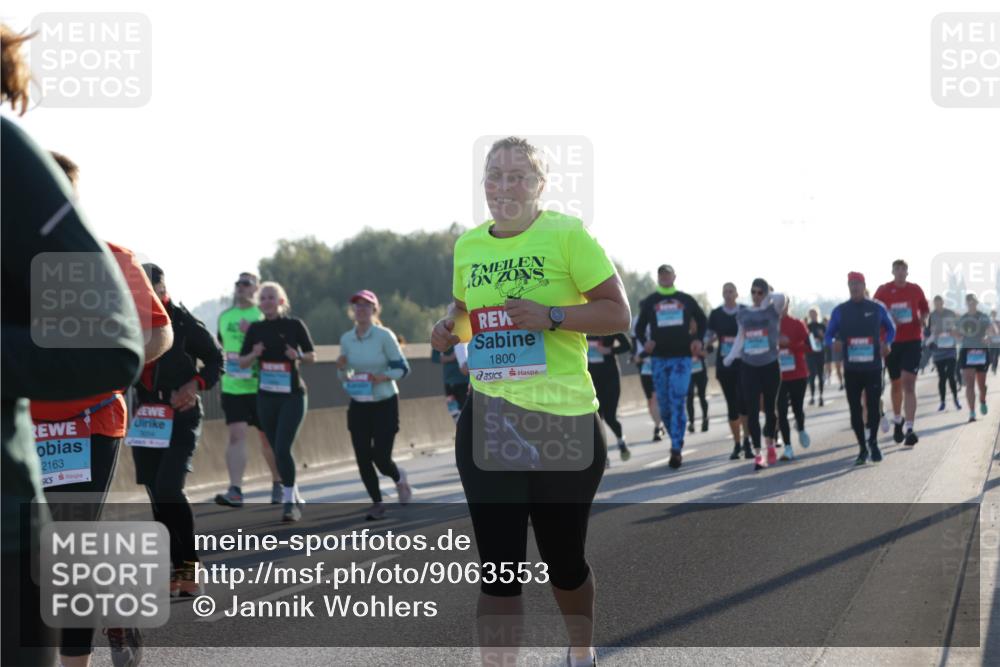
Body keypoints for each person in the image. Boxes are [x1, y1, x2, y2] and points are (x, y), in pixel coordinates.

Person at [432, 136, 630, 667]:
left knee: (564, 560)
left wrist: (552, 316)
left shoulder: (567, 235)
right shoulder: (469, 245)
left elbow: (617, 314)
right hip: (490, 417)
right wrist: (447, 328)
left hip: (562, 421)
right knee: (499, 567)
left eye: (517, 175)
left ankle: (581, 650)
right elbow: (464, 310)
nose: (503, 185)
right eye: (494, 174)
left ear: (541, 185)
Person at [30, 151, 173, 667]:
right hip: (23, 425)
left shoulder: (113, 257)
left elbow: (158, 331)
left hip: (89, 422)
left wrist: (116, 368)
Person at [129, 264, 223, 598]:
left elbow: (215, 359)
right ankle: (175, 569)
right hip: (146, 417)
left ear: (162, 288)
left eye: (152, 290)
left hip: (180, 414)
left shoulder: (182, 322)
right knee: (156, 493)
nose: (147, 297)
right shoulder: (128, 320)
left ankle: (190, 566)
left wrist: (195, 384)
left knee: (169, 487)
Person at [238, 282, 315, 521]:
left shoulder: (294, 325)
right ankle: (296, 496)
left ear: (281, 301)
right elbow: (241, 362)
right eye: (264, 298)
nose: (267, 301)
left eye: (272, 297)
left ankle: (289, 503)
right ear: (259, 303)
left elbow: (313, 355)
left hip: (292, 395)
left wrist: (298, 355)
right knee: (276, 450)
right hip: (266, 396)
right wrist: (255, 353)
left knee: (282, 447)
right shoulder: (256, 329)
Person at [337, 290, 413, 520]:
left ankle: (399, 478)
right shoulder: (346, 339)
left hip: (384, 402)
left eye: (366, 305)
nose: (361, 309)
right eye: (357, 305)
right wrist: (342, 368)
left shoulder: (384, 336)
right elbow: (344, 377)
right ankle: (377, 503)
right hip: (359, 403)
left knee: (380, 457)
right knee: (362, 455)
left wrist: (382, 377)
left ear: (374, 309)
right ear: (353, 311)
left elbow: (403, 368)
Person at [215, 273, 282, 507]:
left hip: (262, 385)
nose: (240, 288)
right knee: (236, 435)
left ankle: (278, 482)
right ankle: (235, 489)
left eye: (246, 284)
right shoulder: (225, 317)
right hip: (233, 385)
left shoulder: (262, 315)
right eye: (238, 284)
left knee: (267, 439)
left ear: (256, 289)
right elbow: (221, 346)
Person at [634, 265, 707, 469]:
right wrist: (644, 342)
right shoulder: (650, 302)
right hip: (658, 360)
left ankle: (676, 448)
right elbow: (639, 328)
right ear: (658, 278)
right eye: (662, 274)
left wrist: (698, 340)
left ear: (674, 276)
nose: (665, 277)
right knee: (664, 406)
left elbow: (702, 320)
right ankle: (675, 434)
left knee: (677, 400)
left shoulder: (686, 299)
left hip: (682, 359)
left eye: (668, 274)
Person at [825, 272, 896, 465]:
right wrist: (834, 343)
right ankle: (862, 448)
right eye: (851, 284)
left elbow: (891, 329)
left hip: (873, 366)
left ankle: (873, 442)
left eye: (857, 284)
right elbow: (828, 335)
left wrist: (887, 343)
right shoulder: (840, 311)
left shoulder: (877, 308)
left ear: (864, 285)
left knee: (873, 407)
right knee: (855, 410)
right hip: (852, 368)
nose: (854, 287)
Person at [723, 278, 785, 470]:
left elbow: (782, 297)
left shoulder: (773, 310)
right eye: (754, 292)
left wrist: (768, 298)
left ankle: (770, 442)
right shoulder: (744, 313)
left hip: (770, 365)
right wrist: (730, 357)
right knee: (751, 411)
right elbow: (740, 338)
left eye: (760, 292)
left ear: (766, 294)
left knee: (769, 408)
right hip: (749, 365)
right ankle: (758, 453)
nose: (756, 296)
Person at [874, 260, 929, 447]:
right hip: (892, 343)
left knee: (909, 383)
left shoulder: (915, 290)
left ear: (907, 272)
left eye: (903, 269)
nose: (899, 272)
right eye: (896, 269)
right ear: (892, 271)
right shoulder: (883, 291)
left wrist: (923, 319)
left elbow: (925, 309)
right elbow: (873, 311)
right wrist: (888, 319)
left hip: (913, 340)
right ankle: (898, 420)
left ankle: (910, 428)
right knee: (896, 384)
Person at [705, 283, 751, 459]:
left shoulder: (746, 311)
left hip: (744, 363)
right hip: (725, 365)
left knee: (744, 403)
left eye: (731, 291)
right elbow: (709, 334)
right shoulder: (716, 314)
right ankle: (737, 444)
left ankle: (747, 441)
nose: (728, 294)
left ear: (737, 294)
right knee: (732, 405)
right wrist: (705, 342)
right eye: (725, 291)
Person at [587, 333, 633, 462]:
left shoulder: (607, 325)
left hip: (610, 378)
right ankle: (603, 456)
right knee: (596, 418)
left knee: (610, 417)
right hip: (590, 380)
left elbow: (627, 345)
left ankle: (621, 440)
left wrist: (610, 350)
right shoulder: (581, 326)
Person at [777, 298, 811, 460]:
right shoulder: (769, 325)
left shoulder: (797, 324)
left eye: (782, 304)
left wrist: (790, 344)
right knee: (781, 410)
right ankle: (788, 447)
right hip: (778, 376)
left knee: (797, 408)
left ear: (787, 305)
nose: (779, 307)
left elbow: (810, 346)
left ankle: (801, 428)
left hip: (798, 373)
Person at [956, 294, 996, 422]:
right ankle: (972, 413)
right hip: (967, 351)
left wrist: (987, 337)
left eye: (973, 302)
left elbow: (992, 330)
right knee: (969, 384)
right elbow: (957, 333)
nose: (971, 304)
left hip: (981, 351)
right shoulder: (963, 319)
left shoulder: (983, 317)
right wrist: (956, 334)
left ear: (976, 303)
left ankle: (982, 400)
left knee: (982, 385)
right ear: (967, 303)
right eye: (969, 302)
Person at [632, 317, 664, 442]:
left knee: (656, 398)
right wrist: (633, 355)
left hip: (659, 364)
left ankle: (659, 426)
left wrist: (641, 355)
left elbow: (657, 344)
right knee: (650, 400)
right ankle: (658, 425)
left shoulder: (658, 318)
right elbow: (634, 340)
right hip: (645, 366)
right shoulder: (637, 321)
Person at [927, 295, 961, 412]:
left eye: (939, 303)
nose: (938, 305)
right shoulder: (931, 315)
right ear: (934, 304)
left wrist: (955, 331)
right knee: (941, 377)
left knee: (951, 375)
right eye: (935, 303)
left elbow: (960, 324)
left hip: (950, 349)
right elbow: (927, 331)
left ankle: (956, 399)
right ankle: (942, 402)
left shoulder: (950, 313)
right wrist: (932, 335)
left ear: (942, 302)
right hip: (938, 351)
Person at [431, 340, 470, 424]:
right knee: (454, 411)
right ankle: (460, 432)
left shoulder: (467, 333)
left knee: (466, 411)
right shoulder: (444, 334)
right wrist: (451, 357)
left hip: (466, 381)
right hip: (450, 381)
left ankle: (464, 433)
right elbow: (435, 357)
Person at [805, 308, 826, 406]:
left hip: (820, 353)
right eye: (811, 314)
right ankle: (812, 396)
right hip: (810, 354)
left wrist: (822, 336)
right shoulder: (807, 327)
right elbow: (804, 340)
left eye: (815, 314)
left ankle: (821, 396)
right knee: (812, 376)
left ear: (818, 314)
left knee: (820, 375)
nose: (813, 316)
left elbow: (827, 338)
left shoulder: (821, 326)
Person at [686, 347, 708, 434]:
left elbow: (709, 348)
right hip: (688, 371)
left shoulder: (700, 335)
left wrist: (702, 352)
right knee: (689, 396)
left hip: (700, 370)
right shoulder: (681, 335)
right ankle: (691, 422)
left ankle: (705, 419)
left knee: (702, 396)